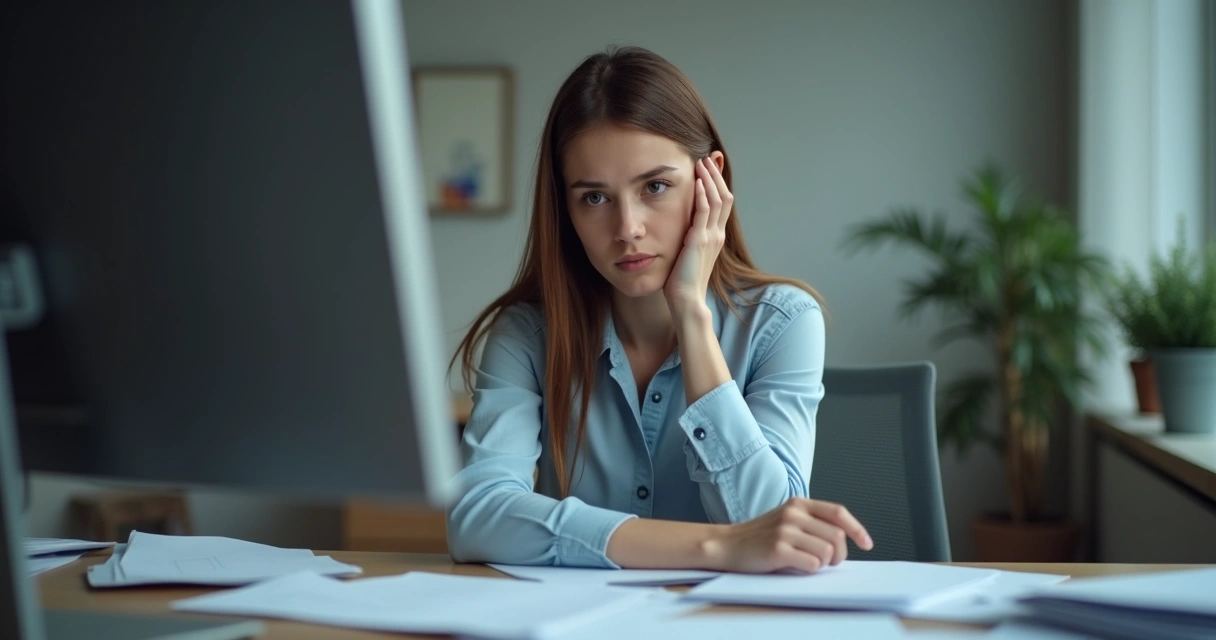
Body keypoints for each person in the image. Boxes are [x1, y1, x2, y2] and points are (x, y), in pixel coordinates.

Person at [446, 46, 872, 573]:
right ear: (566, 209)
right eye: (594, 198)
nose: (628, 229)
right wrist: (716, 547)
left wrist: (691, 313)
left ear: (710, 180)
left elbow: (774, 528)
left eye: (655, 186)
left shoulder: (783, 322)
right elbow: (477, 516)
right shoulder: (528, 334)